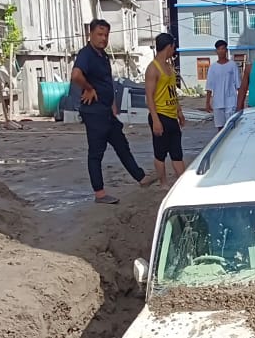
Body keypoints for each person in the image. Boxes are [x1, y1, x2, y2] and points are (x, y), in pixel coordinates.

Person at [71, 19, 157, 205]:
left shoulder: (103, 56)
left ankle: (141, 177)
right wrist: (88, 87)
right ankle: (100, 194)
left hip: (106, 111)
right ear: (90, 35)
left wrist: (112, 105)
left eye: (106, 35)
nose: (103, 39)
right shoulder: (86, 54)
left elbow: (106, 81)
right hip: (94, 112)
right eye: (99, 34)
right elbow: (76, 75)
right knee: (96, 153)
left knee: (121, 144)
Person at [145, 33, 187, 187]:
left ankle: (182, 184)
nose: (174, 50)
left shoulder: (169, 66)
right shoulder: (153, 68)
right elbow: (149, 96)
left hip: (171, 115)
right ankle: (163, 183)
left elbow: (172, 91)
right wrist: (155, 120)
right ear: (169, 47)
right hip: (160, 115)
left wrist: (179, 111)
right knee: (160, 153)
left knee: (177, 153)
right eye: (173, 47)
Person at [204, 40, 240, 129]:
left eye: (223, 48)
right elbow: (209, 86)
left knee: (231, 127)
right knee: (220, 128)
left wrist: (240, 103)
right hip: (217, 103)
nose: (221, 51)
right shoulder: (213, 67)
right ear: (216, 51)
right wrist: (207, 103)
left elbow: (239, 85)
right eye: (219, 49)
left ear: (226, 50)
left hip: (231, 102)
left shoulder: (232, 65)